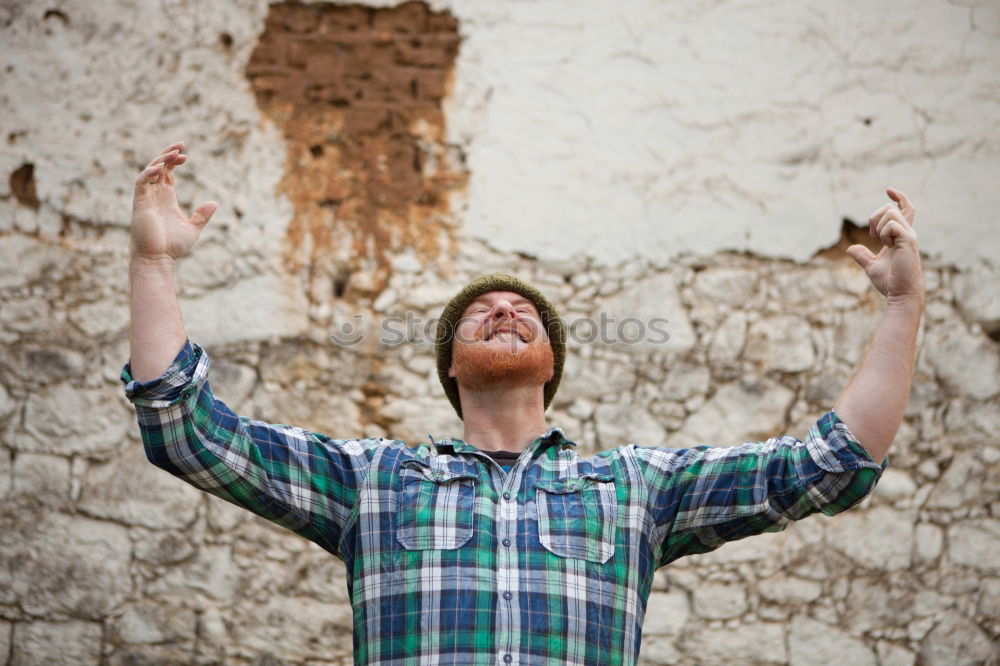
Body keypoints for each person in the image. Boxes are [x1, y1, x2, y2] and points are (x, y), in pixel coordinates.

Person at [122, 142, 924, 665]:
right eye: (481, 312)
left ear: (551, 365)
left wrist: (902, 308)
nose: (504, 311)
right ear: (451, 367)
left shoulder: (636, 489)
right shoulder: (373, 481)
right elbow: (186, 431)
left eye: (523, 311)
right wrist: (154, 261)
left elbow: (834, 465)